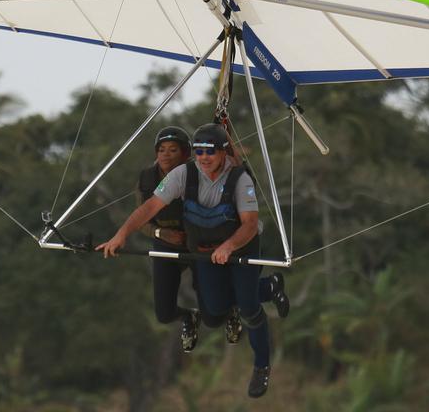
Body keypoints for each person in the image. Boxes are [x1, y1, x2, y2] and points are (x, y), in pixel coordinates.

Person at [97, 123, 287, 398]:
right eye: (198, 151)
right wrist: (121, 234)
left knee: (247, 308)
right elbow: (149, 207)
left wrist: (229, 246)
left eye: (210, 151)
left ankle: (261, 366)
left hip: (241, 246)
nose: (204, 157)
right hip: (205, 250)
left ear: (223, 152)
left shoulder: (239, 178)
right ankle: (269, 287)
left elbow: (249, 225)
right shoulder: (182, 174)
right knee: (216, 310)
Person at [136, 126, 202, 353]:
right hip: (165, 241)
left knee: (210, 300)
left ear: (185, 154)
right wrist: (160, 233)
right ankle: (188, 317)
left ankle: (228, 309)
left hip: (196, 242)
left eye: (173, 150)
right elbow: (141, 219)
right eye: (161, 150)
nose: (165, 154)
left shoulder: (198, 173)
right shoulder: (147, 177)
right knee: (163, 314)